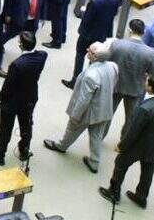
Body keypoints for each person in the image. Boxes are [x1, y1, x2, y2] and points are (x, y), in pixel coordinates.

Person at [99, 76, 154, 209]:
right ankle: (141, 197)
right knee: (148, 170)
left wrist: (121, 146)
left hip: (140, 145)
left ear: (150, 88)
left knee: (120, 163)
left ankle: (114, 192)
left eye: (147, 81)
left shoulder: (145, 108)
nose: (144, 81)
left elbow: (133, 132)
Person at [45, 42, 118, 173]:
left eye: (89, 50)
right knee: (96, 136)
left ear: (94, 56)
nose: (86, 50)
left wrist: (75, 115)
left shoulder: (91, 75)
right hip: (105, 108)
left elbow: (83, 99)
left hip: (89, 112)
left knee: (72, 129)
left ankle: (62, 146)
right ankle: (94, 162)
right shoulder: (113, 66)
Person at [0, 31, 48, 165]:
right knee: (26, 125)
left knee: (6, 128)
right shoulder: (42, 56)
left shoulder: (17, 65)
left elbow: (8, 86)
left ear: (21, 45)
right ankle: (24, 150)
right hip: (30, 97)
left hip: (13, 100)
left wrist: (2, 98)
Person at [66, 0, 119, 86]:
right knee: (95, 57)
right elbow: (114, 13)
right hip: (102, 32)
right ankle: (90, 79)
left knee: (80, 54)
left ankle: (75, 80)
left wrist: (84, 11)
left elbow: (87, 19)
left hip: (88, 33)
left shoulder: (96, 0)